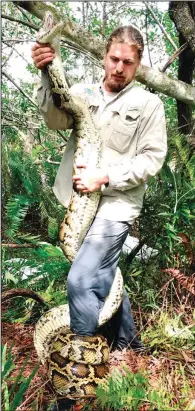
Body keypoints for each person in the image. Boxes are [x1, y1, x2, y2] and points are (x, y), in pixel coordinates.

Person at [31, 25, 167, 353]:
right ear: (104, 56)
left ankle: (81, 371)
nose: (119, 68)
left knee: (81, 279)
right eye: (114, 59)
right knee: (104, 275)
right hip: (79, 202)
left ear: (138, 63)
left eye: (128, 63)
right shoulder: (83, 92)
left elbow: (152, 160)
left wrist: (104, 176)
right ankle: (130, 346)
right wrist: (47, 75)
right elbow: (55, 120)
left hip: (116, 205)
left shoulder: (149, 105)